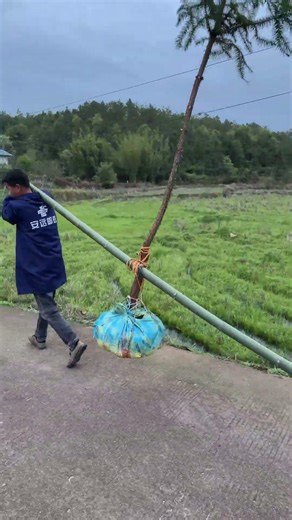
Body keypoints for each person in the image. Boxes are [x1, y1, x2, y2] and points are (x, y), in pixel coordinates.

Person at [1, 168, 87, 368]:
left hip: (36, 264)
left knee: (48, 308)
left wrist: (6, 199)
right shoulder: (46, 196)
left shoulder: (15, 206)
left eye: (8, 188)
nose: (7, 192)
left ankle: (73, 343)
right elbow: (40, 192)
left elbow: (6, 214)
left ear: (18, 187)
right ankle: (40, 337)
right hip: (52, 259)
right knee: (46, 301)